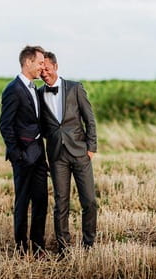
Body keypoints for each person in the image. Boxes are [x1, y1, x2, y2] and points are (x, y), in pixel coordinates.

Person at [38, 51, 98, 256]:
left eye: (46, 67)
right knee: (61, 202)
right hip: (57, 156)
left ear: (55, 66)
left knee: (89, 200)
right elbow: (41, 126)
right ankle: (64, 248)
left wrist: (91, 148)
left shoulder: (75, 88)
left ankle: (89, 244)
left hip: (80, 152)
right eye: (41, 69)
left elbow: (89, 119)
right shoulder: (38, 94)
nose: (44, 72)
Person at [0, 45, 49, 257]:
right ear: (28, 62)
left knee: (41, 201)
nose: (42, 67)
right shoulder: (13, 89)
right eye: (39, 63)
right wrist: (18, 155)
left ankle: (38, 247)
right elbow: (6, 125)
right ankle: (21, 248)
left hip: (38, 155)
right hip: (23, 157)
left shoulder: (34, 89)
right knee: (22, 203)